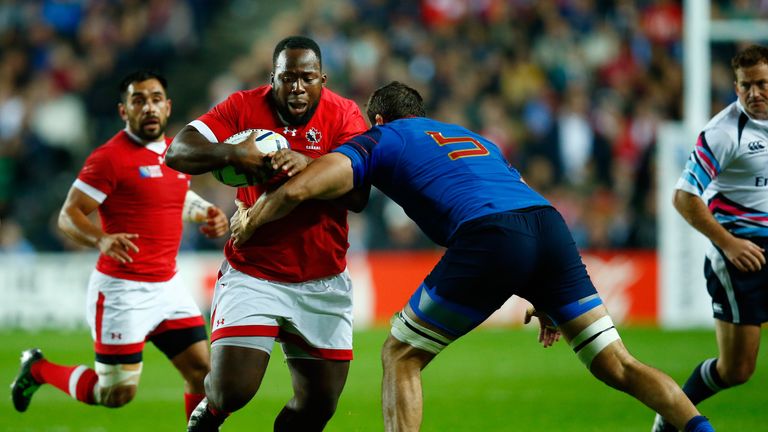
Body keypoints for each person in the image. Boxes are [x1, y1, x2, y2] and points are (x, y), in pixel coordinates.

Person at [230, 81, 716, 432]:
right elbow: (516, 199)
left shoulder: (382, 138)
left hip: (491, 235)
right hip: (548, 226)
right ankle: (699, 428)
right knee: (617, 364)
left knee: (400, 353)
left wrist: (252, 219)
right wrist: (543, 289)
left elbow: (305, 188)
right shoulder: (473, 138)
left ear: (377, 120)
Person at [164, 35, 368, 431]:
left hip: (323, 280)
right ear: (271, 78)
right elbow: (177, 151)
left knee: (318, 406)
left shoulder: (344, 115)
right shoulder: (242, 107)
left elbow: (360, 194)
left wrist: (310, 163)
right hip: (255, 273)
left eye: (306, 78)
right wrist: (233, 153)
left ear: (322, 79)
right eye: (286, 78)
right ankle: (212, 409)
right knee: (233, 391)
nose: (296, 87)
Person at [9, 70, 229, 422]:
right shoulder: (109, 158)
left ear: (168, 107)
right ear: (124, 111)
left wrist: (207, 211)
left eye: (156, 99)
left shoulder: (176, 153)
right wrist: (101, 238)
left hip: (167, 287)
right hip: (122, 290)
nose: (149, 107)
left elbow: (171, 195)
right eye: (138, 100)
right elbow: (67, 216)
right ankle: (38, 370)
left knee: (203, 375)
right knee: (115, 393)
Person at [652, 45, 768, 432]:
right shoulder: (722, 132)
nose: (754, 93)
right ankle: (674, 411)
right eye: (746, 86)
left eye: (762, 84)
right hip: (739, 254)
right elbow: (684, 197)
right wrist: (730, 244)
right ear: (736, 87)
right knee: (737, 370)